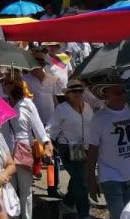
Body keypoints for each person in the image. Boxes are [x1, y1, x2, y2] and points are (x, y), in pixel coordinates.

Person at [87, 79, 130, 219]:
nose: (123, 96)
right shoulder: (99, 118)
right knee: (119, 215)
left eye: (124, 91)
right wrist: (91, 180)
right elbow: (92, 150)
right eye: (118, 93)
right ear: (107, 95)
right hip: (110, 175)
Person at [0, 75, 49, 219]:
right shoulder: (2, 103)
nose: (4, 85)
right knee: (9, 189)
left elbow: (39, 128)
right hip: (6, 152)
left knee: (25, 190)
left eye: (8, 82)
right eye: (3, 82)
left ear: (16, 85)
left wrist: (46, 144)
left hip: (23, 151)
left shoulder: (27, 104)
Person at [49, 78, 93, 219]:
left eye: (80, 90)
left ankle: (67, 203)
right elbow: (51, 129)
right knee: (82, 181)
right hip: (67, 148)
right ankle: (84, 213)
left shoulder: (88, 106)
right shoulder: (62, 109)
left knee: (78, 178)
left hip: (85, 148)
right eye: (74, 91)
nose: (78, 93)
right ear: (68, 94)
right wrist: (52, 145)